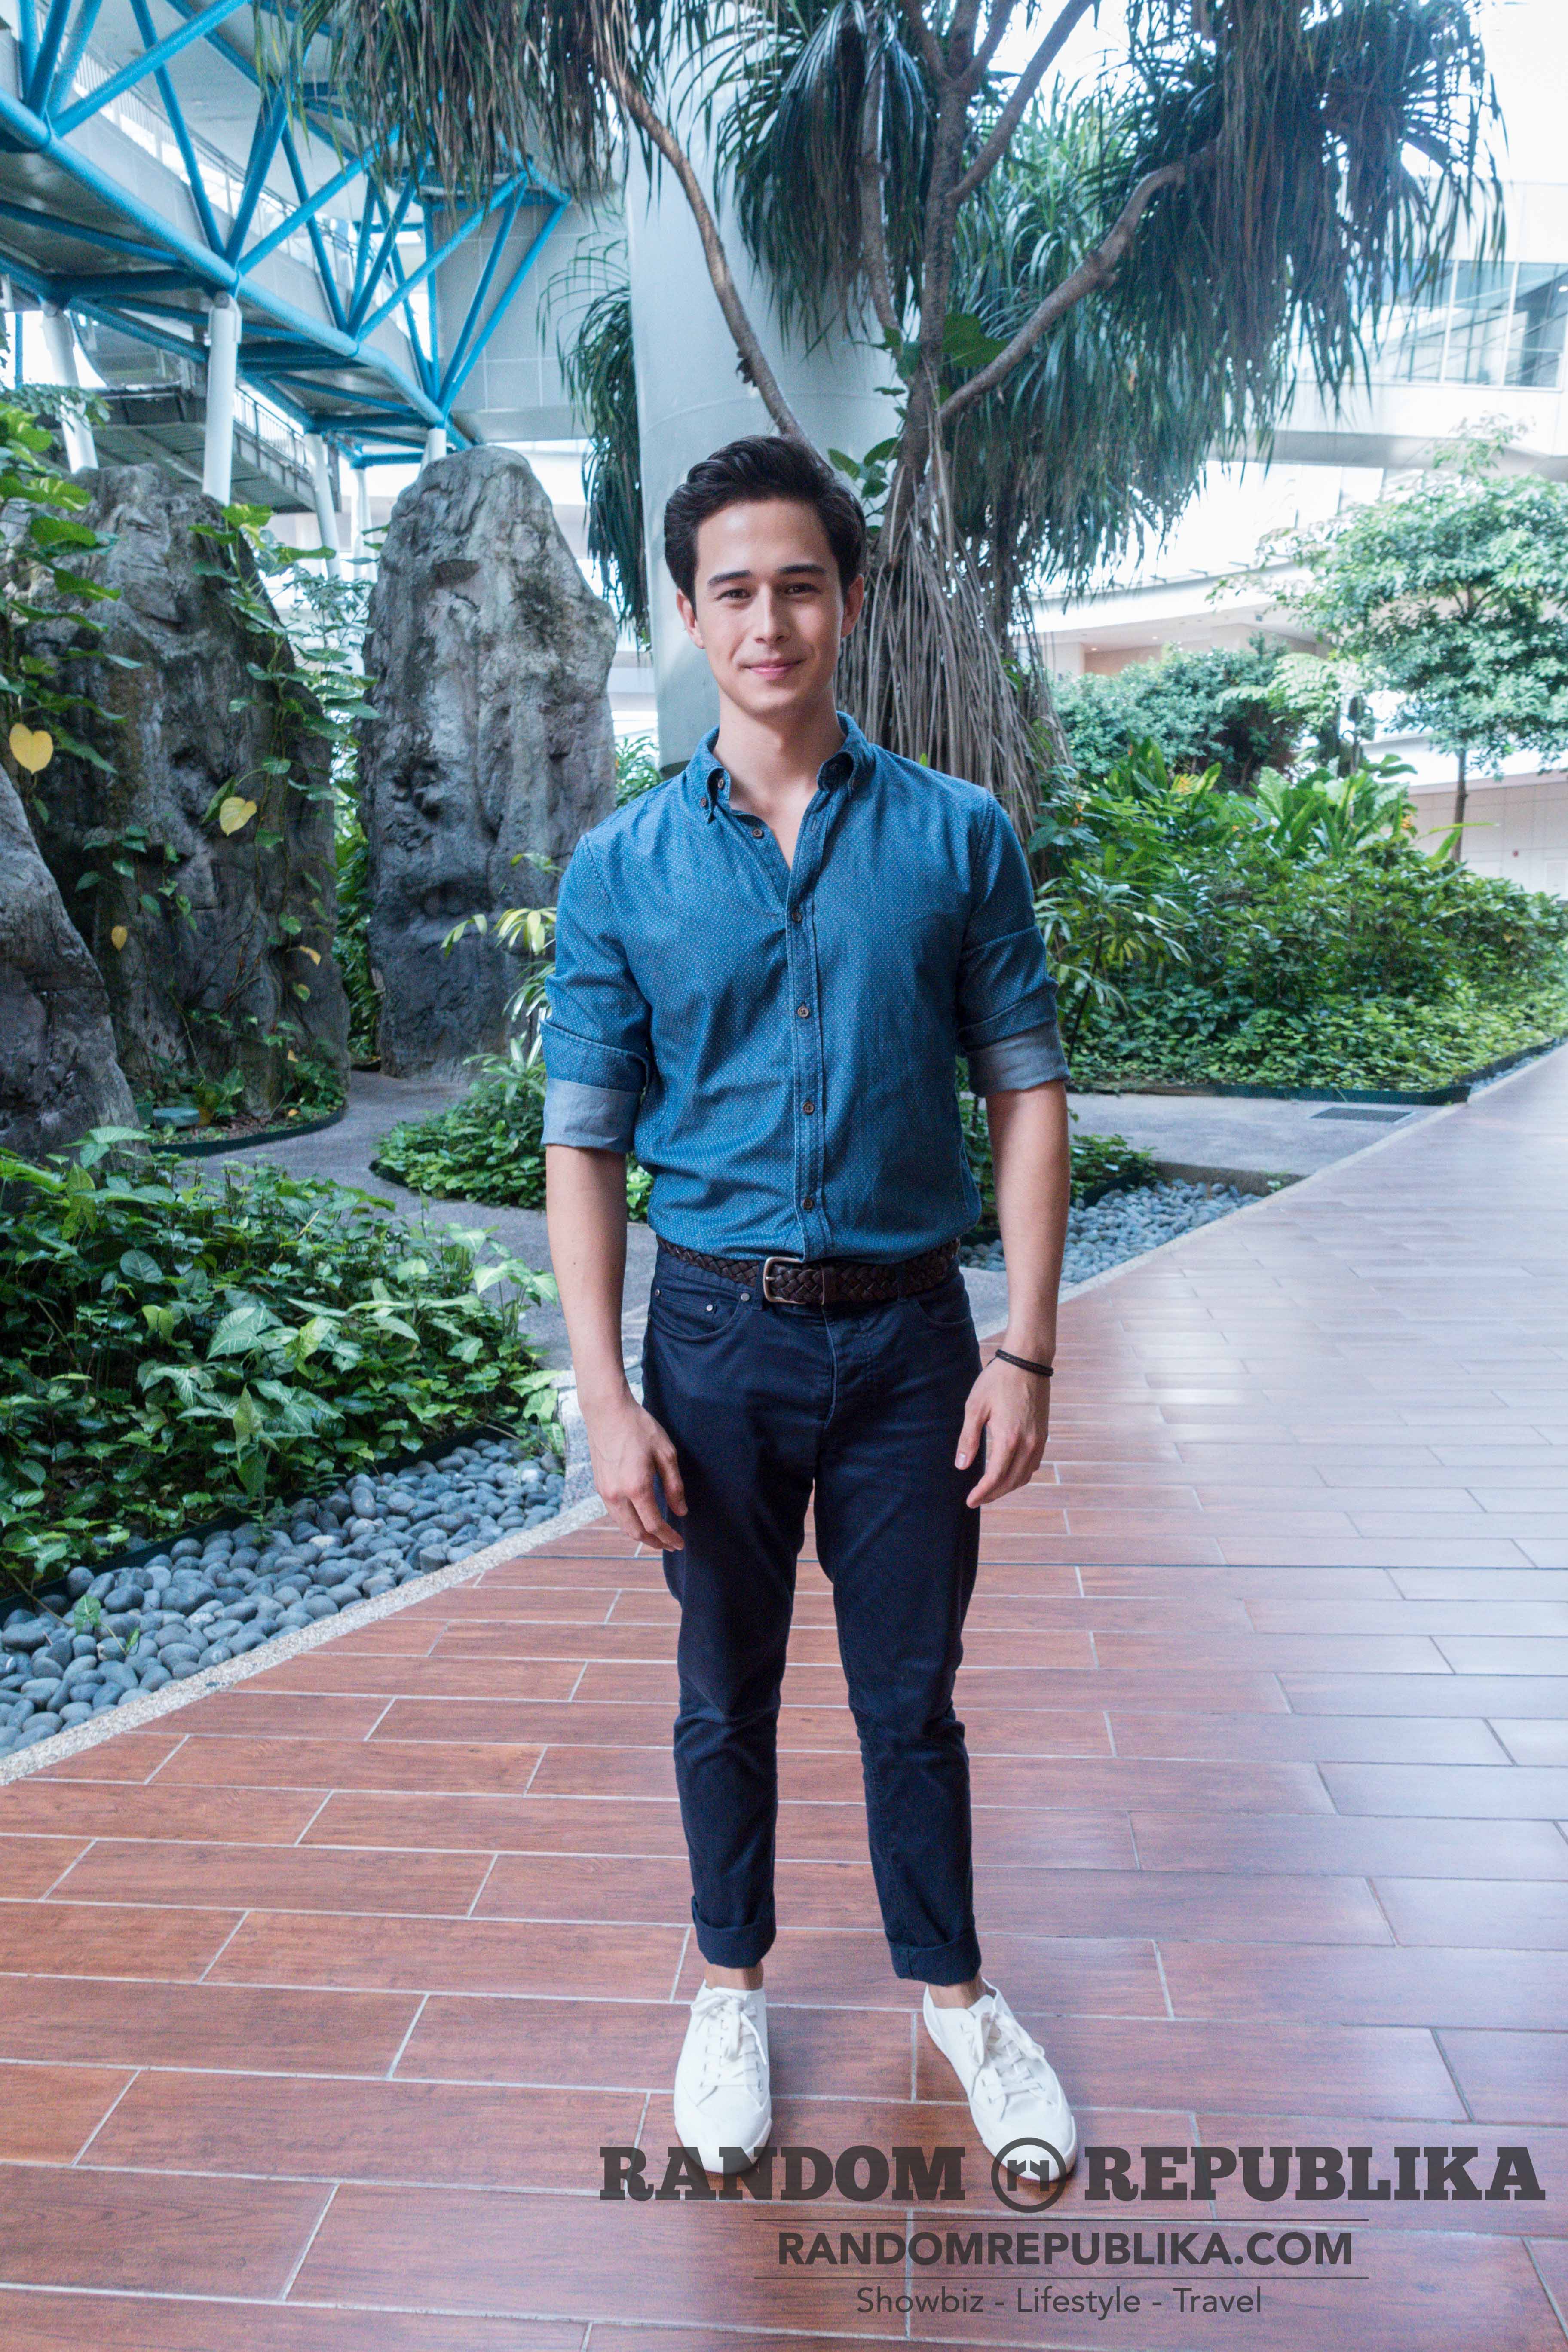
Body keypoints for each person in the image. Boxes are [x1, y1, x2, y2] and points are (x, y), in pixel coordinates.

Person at [541, 434, 1076, 2188]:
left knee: (912, 1697)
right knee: (724, 1691)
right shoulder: (622, 866)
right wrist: (606, 1395)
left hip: (916, 1344)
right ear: (688, 617)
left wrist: (1025, 1344)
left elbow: (1025, 1091)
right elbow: (584, 1141)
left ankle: (957, 1997)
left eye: (799, 585)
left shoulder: (957, 837)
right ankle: (729, 1991)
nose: (767, 622)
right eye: (733, 592)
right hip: (715, 1346)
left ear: (847, 601)